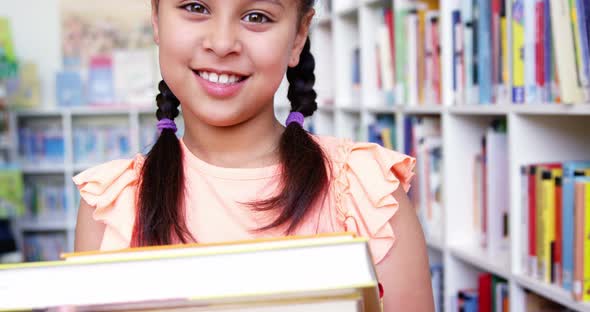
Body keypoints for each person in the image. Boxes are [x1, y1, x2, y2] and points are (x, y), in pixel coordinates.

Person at [74, 0, 434, 310]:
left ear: (298, 36)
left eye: (257, 16)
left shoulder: (366, 194)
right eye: (195, 7)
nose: (222, 43)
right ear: (156, 18)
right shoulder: (111, 207)